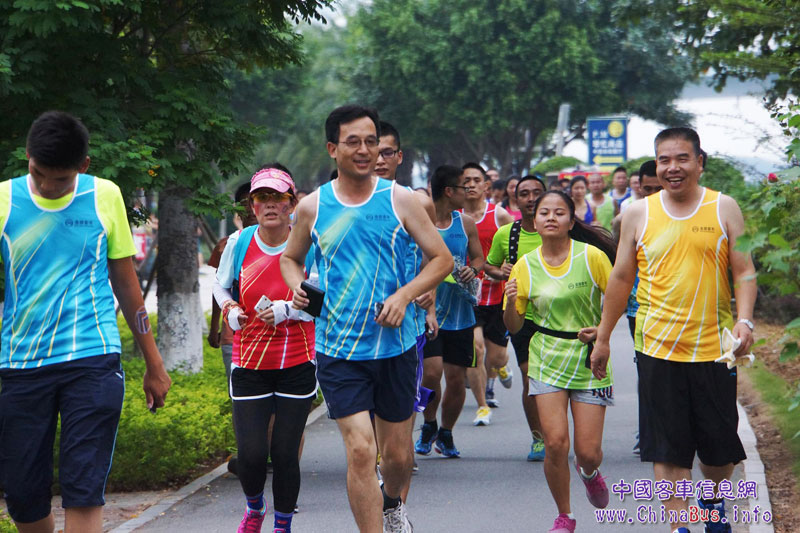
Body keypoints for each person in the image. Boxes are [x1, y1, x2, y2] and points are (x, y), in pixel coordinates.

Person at [280, 105, 452, 533]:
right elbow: (290, 258)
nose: (364, 150)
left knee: (396, 457)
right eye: (353, 142)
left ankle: (392, 502)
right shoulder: (313, 206)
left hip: (395, 346)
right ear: (332, 148)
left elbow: (441, 259)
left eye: (371, 142)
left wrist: (404, 295)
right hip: (338, 348)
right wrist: (297, 286)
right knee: (360, 451)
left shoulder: (400, 199)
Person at [0, 111, 172, 533]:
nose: (47, 187)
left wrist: (154, 363)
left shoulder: (103, 196)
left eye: (60, 179)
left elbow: (126, 284)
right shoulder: (4, 199)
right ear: (27, 156)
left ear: (83, 165)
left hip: (92, 360)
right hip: (21, 365)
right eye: (38, 174)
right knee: (22, 496)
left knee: (83, 488)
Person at [592, 127, 757, 533]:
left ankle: (712, 502)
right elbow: (620, 278)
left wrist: (745, 320)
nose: (672, 167)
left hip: (714, 350)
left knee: (718, 452)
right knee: (667, 449)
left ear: (699, 163)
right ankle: (679, 526)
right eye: (664, 160)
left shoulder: (723, 207)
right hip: (657, 348)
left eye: (682, 158)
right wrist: (603, 337)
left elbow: (744, 271)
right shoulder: (638, 214)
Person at [504, 190, 617, 533]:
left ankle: (589, 473)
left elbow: (617, 299)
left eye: (559, 212)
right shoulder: (525, 266)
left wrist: (602, 331)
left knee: (588, 452)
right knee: (554, 444)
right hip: (546, 357)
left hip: (589, 358)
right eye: (544, 213)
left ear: (571, 221)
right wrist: (510, 302)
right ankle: (564, 515)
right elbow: (514, 326)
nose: (551, 218)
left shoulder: (592, 257)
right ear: (534, 221)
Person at [213, 167, 315, 533]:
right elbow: (220, 286)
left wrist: (289, 310)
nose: (269, 205)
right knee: (252, 455)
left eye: (277, 198)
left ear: (291, 204)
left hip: (296, 361)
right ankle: (254, 508)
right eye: (261, 198)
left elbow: (321, 300)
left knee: (285, 454)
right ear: (253, 206)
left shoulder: (308, 244)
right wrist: (230, 308)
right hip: (249, 363)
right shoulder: (239, 242)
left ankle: (282, 525)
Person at [375, 120, 438, 497]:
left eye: (387, 152)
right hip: (358, 330)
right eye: (373, 151)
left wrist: (429, 301)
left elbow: (434, 257)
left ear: (399, 157)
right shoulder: (343, 203)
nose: (379, 159)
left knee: (402, 403)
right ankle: (379, 461)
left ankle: (396, 459)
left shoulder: (416, 202)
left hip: (407, 325)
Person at [417, 165, 485, 454]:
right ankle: (429, 423)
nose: (468, 191)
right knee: (431, 374)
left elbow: (479, 258)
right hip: (427, 313)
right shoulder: (420, 221)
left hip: (461, 315)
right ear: (448, 191)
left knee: (456, 379)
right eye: (463, 186)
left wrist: (474, 270)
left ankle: (446, 432)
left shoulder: (466, 223)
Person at [484, 176, 547, 461]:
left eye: (537, 193)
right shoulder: (507, 234)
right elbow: (489, 266)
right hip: (522, 315)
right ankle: (538, 438)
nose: (531, 198)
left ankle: (558, 432)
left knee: (560, 383)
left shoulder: (561, 230)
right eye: (525, 194)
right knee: (529, 376)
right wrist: (501, 272)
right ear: (516, 199)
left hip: (562, 317)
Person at [460, 163, 515, 419]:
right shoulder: (454, 216)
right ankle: (482, 405)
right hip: (467, 297)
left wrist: (505, 267)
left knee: (497, 357)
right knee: (476, 350)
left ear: (486, 185)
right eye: (465, 181)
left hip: (497, 296)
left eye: (475, 180)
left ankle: (502, 367)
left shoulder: (499, 215)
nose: (470, 185)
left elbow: (516, 246)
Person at [620, 160, 660, 456]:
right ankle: (648, 434)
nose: (654, 195)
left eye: (658, 189)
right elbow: (621, 271)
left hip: (685, 312)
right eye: (648, 189)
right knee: (647, 371)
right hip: (640, 310)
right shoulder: (633, 216)